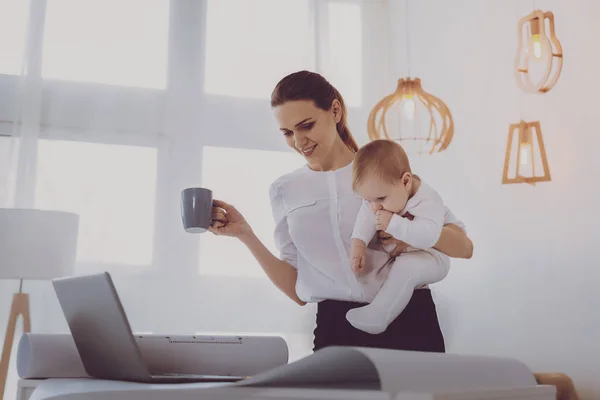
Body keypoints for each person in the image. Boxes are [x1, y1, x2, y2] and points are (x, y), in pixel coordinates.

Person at [209, 70, 473, 353]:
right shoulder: (284, 190)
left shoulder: (383, 169)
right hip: (335, 328)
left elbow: (464, 247)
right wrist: (245, 234)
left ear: (335, 110)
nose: (299, 142)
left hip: (411, 321)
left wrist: (414, 234)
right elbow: (298, 290)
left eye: (307, 125)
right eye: (287, 133)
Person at [347, 139, 451, 335]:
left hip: (434, 257)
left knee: (407, 267)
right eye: (368, 200)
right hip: (406, 255)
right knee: (394, 268)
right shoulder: (380, 198)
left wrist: (393, 223)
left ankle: (379, 315)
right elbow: (365, 216)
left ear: (405, 181)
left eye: (380, 199)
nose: (375, 207)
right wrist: (358, 244)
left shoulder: (428, 200)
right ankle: (375, 306)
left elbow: (429, 236)